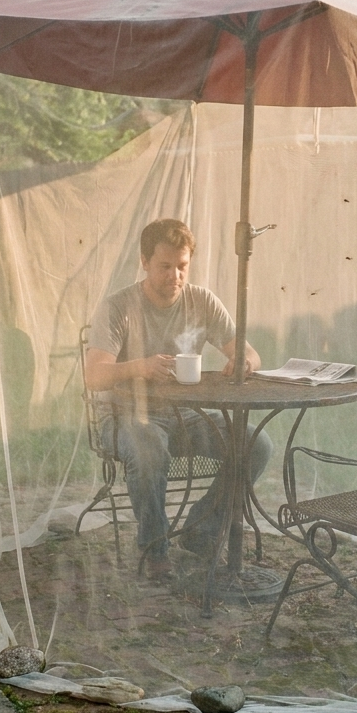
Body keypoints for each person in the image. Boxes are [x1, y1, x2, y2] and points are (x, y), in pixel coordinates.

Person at [85, 218, 272, 578]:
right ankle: (155, 549)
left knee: (256, 444)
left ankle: (201, 528)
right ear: (144, 261)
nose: (175, 276)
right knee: (147, 445)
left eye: (182, 267)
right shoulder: (118, 306)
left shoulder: (201, 301)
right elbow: (94, 376)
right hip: (128, 416)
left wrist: (242, 363)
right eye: (165, 267)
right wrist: (140, 366)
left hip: (187, 417)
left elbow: (251, 353)